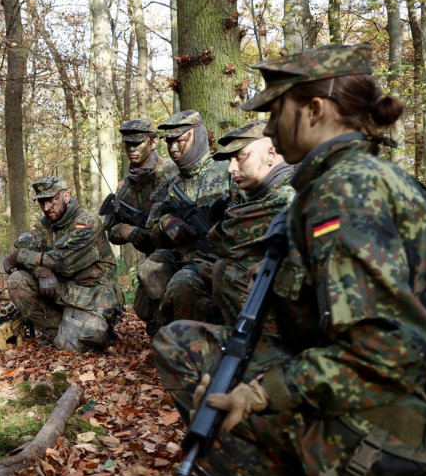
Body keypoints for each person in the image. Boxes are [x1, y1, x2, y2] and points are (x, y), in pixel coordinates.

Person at [153, 43, 426, 476]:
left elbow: (387, 350)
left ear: (315, 110)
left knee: (184, 349)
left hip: (401, 433)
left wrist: (261, 393)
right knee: (196, 346)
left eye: (277, 112)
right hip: (402, 411)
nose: (269, 130)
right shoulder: (349, 182)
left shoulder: (346, 194)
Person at [139, 110, 233, 333]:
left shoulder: (229, 171)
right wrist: (166, 222)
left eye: (180, 141)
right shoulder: (171, 186)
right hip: (185, 260)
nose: (173, 149)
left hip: (225, 261)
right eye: (169, 142)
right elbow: (150, 233)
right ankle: (166, 332)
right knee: (152, 267)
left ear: (198, 136)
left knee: (184, 283)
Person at [3, 177, 121, 353]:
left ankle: (87, 331)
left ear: (66, 196)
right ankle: (59, 332)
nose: (46, 207)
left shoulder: (87, 221)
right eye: (42, 202)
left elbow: (64, 262)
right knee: (17, 281)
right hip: (63, 289)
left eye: (52, 200)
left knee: (88, 336)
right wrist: (41, 271)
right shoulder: (45, 224)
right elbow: (22, 247)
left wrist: (22, 256)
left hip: (93, 295)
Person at [206, 120, 295, 326]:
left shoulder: (286, 195)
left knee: (225, 269)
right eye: (230, 160)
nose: (231, 168)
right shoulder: (262, 193)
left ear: (271, 154)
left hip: (294, 315)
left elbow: (222, 239)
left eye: (240, 157)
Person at [106, 118, 178, 328]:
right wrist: (127, 231)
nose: (132, 148)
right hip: (153, 257)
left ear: (153, 142)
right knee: (144, 308)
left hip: (181, 251)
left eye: (137, 143)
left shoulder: (170, 170)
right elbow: (111, 229)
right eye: (128, 144)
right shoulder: (125, 186)